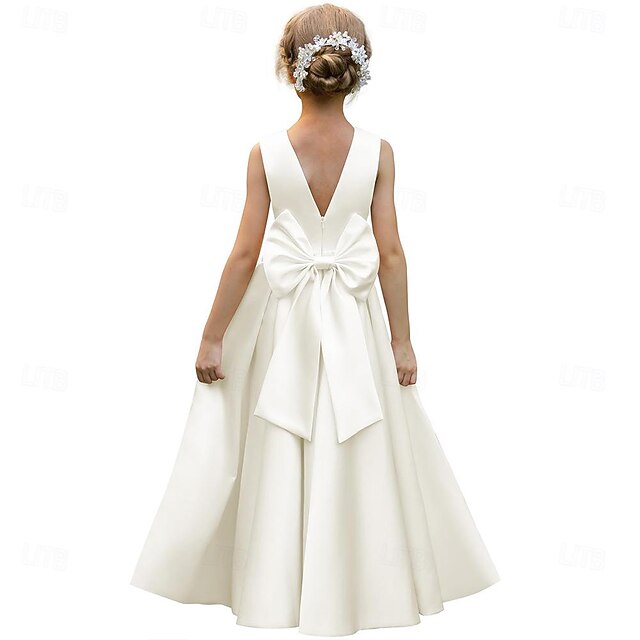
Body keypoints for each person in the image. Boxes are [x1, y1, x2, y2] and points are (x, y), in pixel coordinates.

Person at [130, 4, 500, 636]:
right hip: (357, 324)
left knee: (286, 437)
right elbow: (390, 253)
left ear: (288, 65)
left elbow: (245, 253)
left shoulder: (267, 153)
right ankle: (360, 591)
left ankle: (278, 592)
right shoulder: (379, 152)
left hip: (284, 326)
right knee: (357, 443)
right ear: (359, 69)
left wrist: (213, 336)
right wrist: (402, 342)